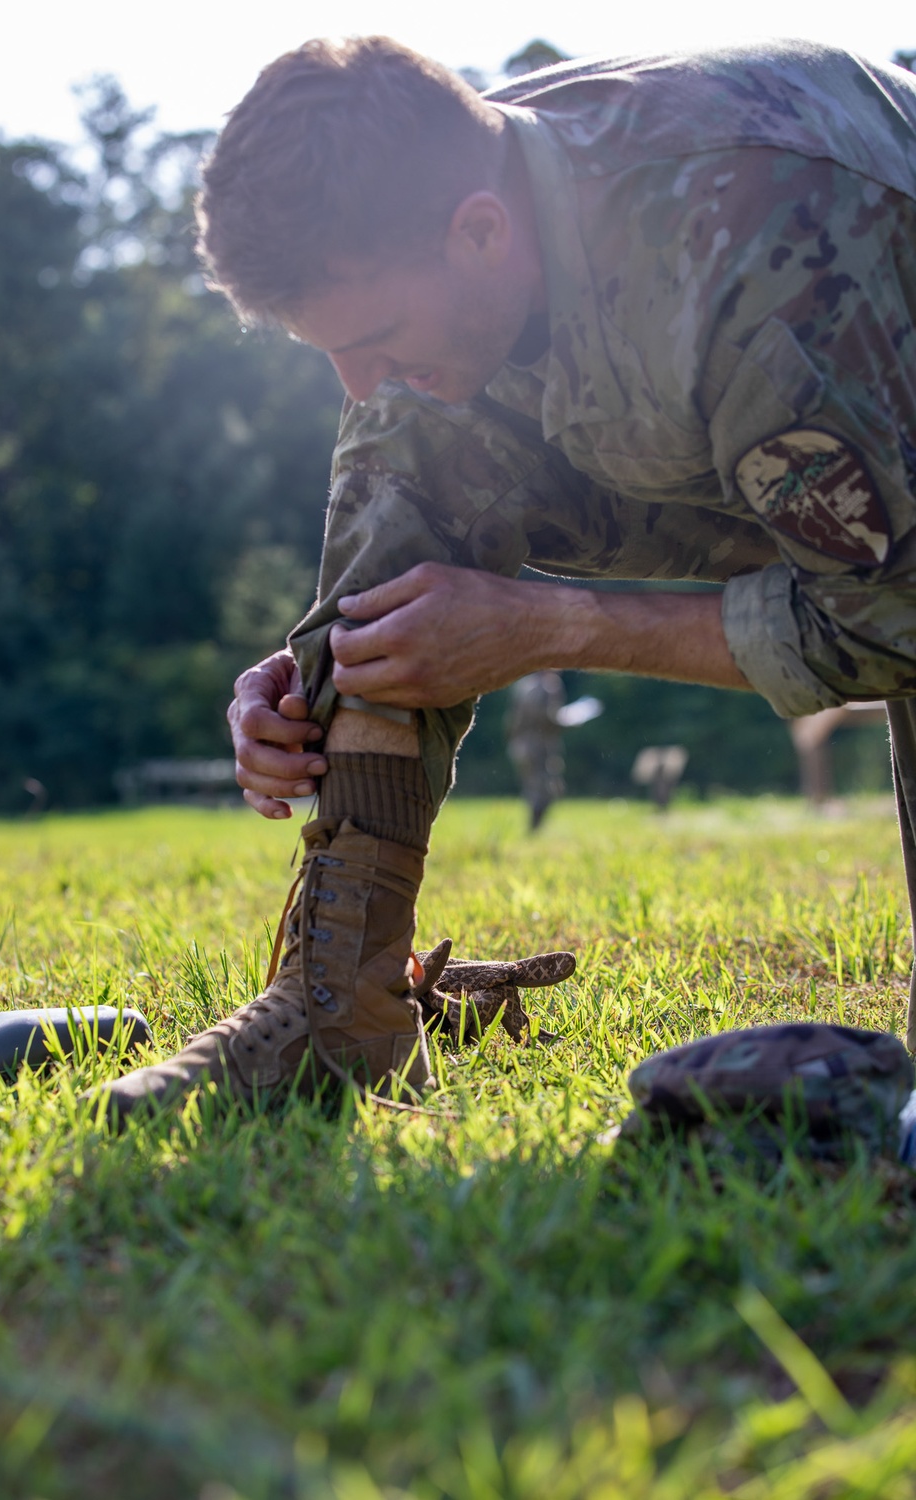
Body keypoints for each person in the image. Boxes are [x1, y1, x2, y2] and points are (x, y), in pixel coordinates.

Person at [94, 36, 916, 1121]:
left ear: (481, 232)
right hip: (720, 417)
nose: (355, 381)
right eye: (325, 348)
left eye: (376, 334)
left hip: (880, 440)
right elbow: (399, 442)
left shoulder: (759, 243)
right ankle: (340, 1010)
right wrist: (323, 672)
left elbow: (894, 616)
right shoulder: (446, 200)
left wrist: (550, 622)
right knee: (408, 443)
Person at [504, 672, 566, 829]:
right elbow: (548, 718)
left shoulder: (523, 685)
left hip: (520, 744)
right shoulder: (549, 686)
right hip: (540, 745)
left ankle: (533, 830)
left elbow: (512, 719)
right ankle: (534, 830)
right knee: (545, 788)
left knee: (531, 786)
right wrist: (566, 721)